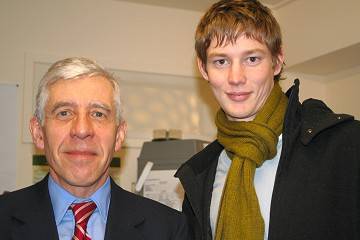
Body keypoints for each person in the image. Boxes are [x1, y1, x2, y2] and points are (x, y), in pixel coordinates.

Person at [175, 1, 360, 240]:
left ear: (277, 60)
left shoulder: (344, 146)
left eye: (252, 59)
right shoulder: (200, 172)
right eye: (221, 61)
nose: (236, 78)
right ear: (203, 69)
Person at [0, 57, 191, 240]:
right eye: (64, 113)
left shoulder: (169, 229)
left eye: (98, 114)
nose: (82, 130)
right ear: (38, 133)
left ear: (119, 136)